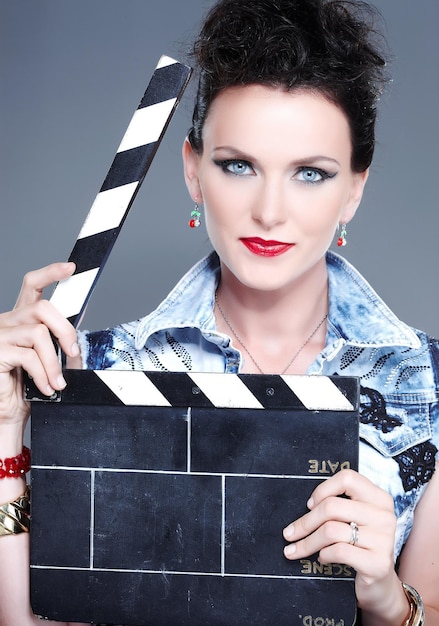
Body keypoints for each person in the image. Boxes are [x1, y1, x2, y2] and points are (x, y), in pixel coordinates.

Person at [0, 0, 438, 624]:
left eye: (310, 174)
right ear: (193, 171)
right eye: (238, 165)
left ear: (354, 191)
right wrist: (4, 429)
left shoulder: (425, 384)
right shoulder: (90, 371)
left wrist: (390, 603)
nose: (268, 210)